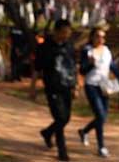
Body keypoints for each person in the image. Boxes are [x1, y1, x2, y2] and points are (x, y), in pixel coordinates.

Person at [77, 27, 119, 158]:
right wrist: (90, 64)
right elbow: (82, 71)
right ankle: (101, 147)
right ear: (92, 37)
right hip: (91, 85)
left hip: (104, 86)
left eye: (103, 36)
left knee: (102, 118)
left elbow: (113, 68)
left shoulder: (107, 51)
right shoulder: (87, 51)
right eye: (98, 36)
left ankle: (84, 131)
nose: (101, 39)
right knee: (100, 116)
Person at [33, 19, 76, 161]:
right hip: (52, 88)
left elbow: (72, 67)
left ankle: (47, 132)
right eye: (63, 33)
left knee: (66, 118)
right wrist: (32, 88)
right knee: (60, 118)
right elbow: (37, 68)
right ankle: (62, 151)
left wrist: (75, 86)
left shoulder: (69, 46)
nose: (66, 36)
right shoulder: (45, 47)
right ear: (56, 31)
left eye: (68, 33)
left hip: (67, 87)